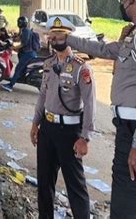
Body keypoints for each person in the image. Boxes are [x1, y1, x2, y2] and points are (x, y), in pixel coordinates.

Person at [49, 0, 136, 218]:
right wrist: (68, 40)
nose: (121, 4)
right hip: (133, 130)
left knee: (125, 212)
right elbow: (105, 49)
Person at [31, 16, 95, 219]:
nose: (55, 39)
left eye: (59, 36)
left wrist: (85, 137)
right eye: (52, 36)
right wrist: (35, 123)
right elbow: (43, 94)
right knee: (44, 183)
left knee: (75, 186)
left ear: (69, 38)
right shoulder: (49, 64)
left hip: (69, 133)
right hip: (47, 128)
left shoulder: (81, 67)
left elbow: (91, 103)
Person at [1, 16, 37, 92]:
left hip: (28, 54)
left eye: (19, 22)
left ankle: (10, 86)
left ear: (20, 23)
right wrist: (11, 39)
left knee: (18, 68)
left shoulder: (26, 31)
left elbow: (23, 43)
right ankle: (19, 78)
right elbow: (19, 38)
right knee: (21, 69)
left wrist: (13, 48)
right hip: (28, 53)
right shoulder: (24, 30)